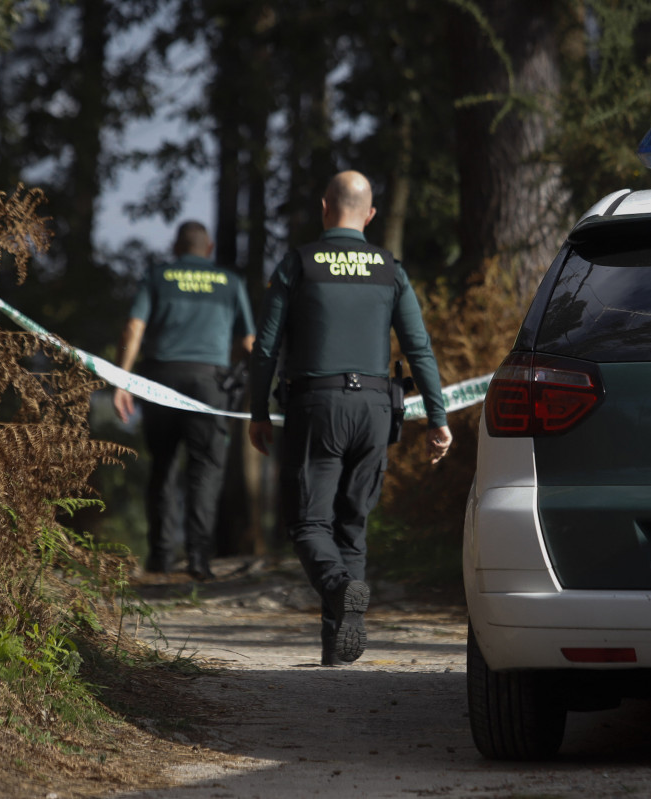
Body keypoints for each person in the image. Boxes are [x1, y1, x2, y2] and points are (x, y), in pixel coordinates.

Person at [247, 170, 453, 666]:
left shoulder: (298, 263)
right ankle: (337, 648)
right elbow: (419, 348)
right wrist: (438, 417)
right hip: (377, 409)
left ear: (324, 207)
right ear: (371, 214)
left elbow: (266, 347)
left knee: (308, 523)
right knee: (351, 525)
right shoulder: (390, 269)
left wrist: (258, 411)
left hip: (317, 406)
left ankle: (340, 589)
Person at [113, 221, 254, 580]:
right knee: (205, 469)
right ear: (209, 248)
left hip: (161, 378)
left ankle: (161, 558)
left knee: (163, 465)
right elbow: (249, 343)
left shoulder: (157, 276)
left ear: (176, 248)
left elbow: (134, 327)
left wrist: (122, 380)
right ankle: (198, 559)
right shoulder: (230, 282)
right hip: (210, 382)